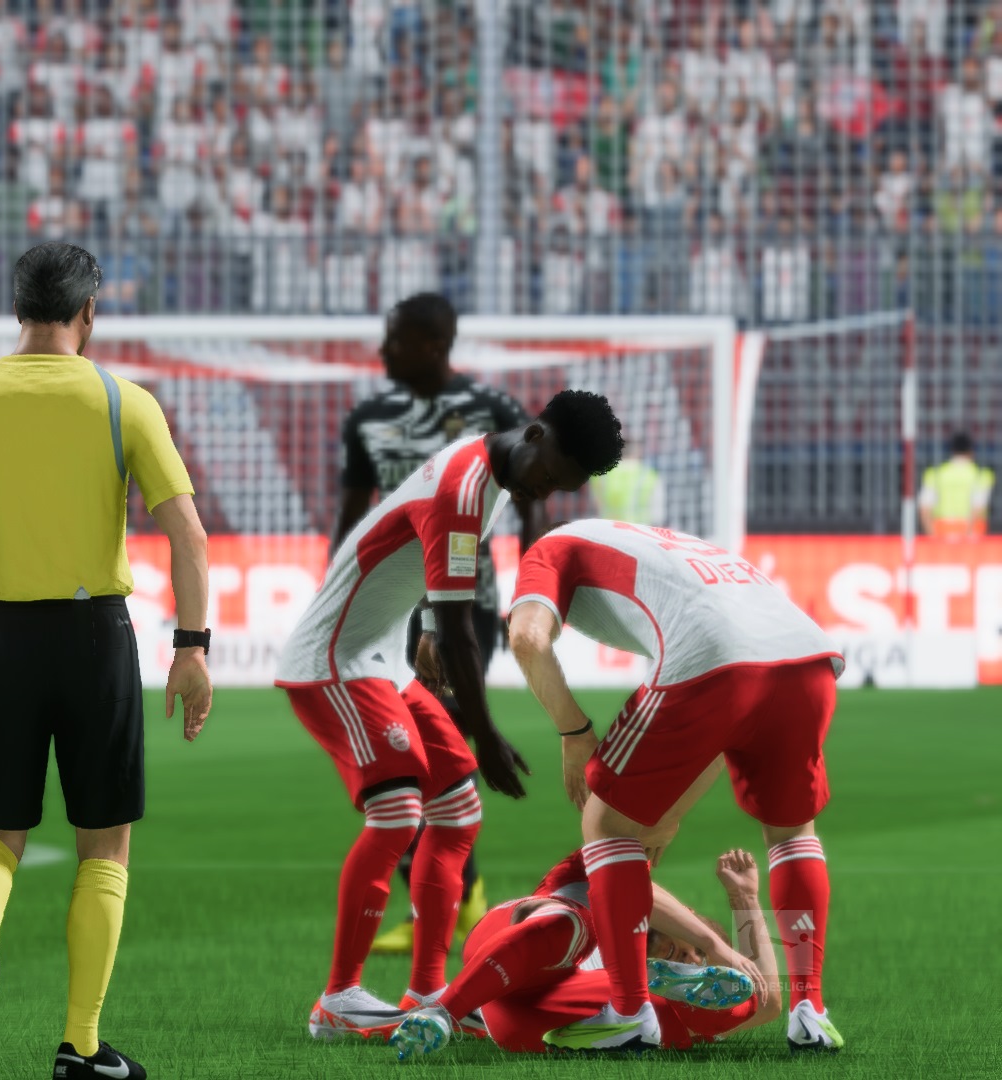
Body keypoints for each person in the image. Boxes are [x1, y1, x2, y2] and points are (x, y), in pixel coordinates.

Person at [0, 243, 213, 1080]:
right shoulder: (123, 401)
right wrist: (192, 648)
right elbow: (188, 536)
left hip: (3, 636)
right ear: (88, 312)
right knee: (104, 846)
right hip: (95, 634)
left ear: (17, 309)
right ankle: (81, 1045)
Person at [277, 388, 625, 1038]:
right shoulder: (466, 489)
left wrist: (430, 628)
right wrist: (485, 732)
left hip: (382, 659)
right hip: (334, 658)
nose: (546, 492)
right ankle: (338, 1000)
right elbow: (466, 628)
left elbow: (431, 566)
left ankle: (427, 990)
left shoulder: (488, 472)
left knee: (457, 810)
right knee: (397, 812)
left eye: (561, 488)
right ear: (534, 435)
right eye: (550, 475)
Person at [507, 519, 844, 1052]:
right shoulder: (669, 544)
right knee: (793, 834)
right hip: (810, 659)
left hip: (713, 657)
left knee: (605, 823)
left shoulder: (548, 551)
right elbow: (721, 727)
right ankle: (811, 1011)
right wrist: (670, 811)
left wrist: (574, 732)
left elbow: (526, 638)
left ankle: (628, 1011)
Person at [333, 293, 549, 956]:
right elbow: (353, 517)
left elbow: (532, 504)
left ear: (432, 345)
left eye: (395, 339)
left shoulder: (493, 410)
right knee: (398, 752)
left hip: (464, 609)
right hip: (385, 611)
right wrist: (338, 600)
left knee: (438, 746)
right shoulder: (368, 419)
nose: (383, 351)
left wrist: (534, 589)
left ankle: (454, 896)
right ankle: (452, 896)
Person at [390, 844, 780, 1058]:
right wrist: (712, 942)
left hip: (529, 1019)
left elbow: (769, 1004)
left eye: (699, 962)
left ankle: (442, 1012)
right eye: (690, 950)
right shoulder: (609, 906)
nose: (692, 958)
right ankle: (635, 997)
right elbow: (618, 869)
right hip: (521, 951)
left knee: (732, 1005)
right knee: (570, 917)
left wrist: (745, 898)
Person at [919, 432, 993, 539]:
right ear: (971, 452)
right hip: (973, 533)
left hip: (942, 530)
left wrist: (932, 536)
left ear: (952, 451)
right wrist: (967, 535)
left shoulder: (935, 474)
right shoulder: (981, 475)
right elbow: (978, 506)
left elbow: (924, 509)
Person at [589, 438, 667, 525]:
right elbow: (657, 515)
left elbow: (595, 504)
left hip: (607, 527)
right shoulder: (649, 475)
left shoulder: (601, 474)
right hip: (638, 528)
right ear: (639, 451)